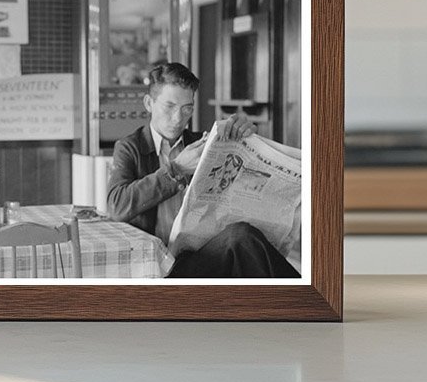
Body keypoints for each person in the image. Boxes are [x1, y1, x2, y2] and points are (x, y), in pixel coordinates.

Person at [106, 62, 299, 278]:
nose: (178, 118)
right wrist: (176, 169)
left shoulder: (204, 143)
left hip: (200, 254)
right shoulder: (130, 147)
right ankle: (307, 298)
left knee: (243, 238)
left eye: (187, 108)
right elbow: (116, 205)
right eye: (169, 106)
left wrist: (248, 138)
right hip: (160, 265)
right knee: (243, 244)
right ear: (149, 103)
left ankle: (301, 299)